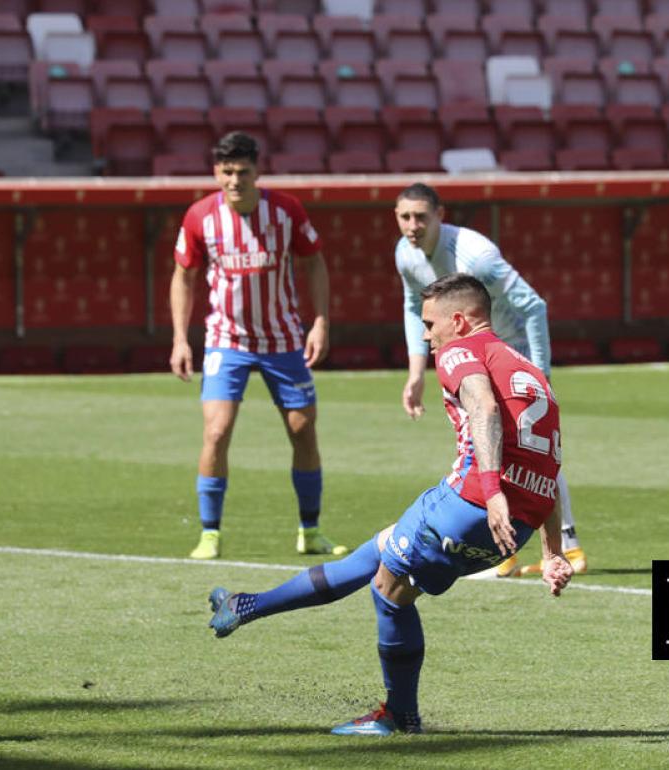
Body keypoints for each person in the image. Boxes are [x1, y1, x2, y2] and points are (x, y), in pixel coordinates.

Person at [206, 274, 574, 735]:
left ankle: (399, 715)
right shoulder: (527, 368)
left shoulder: (461, 351)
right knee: (380, 550)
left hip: (470, 504)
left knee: (390, 591)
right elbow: (547, 466)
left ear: (459, 321)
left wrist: (492, 492)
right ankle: (246, 606)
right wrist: (551, 550)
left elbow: (483, 408)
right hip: (514, 525)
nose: (425, 334)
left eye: (430, 323)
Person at [392, 182, 587, 578]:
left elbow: (534, 306)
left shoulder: (476, 257)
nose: (412, 226)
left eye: (420, 217)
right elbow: (416, 308)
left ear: (440, 216)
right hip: (474, 354)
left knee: (529, 446)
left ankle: (568, 545)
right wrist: (416, 374)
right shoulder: (405, 254)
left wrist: (540, 375)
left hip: (511, 353)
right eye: (404, 217)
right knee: (500, 444)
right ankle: (509, 551)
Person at [170, 132, 345, 560]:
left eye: (243, 172)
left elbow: (314, 262)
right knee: (216, 430)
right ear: (216, 172)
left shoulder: (286, 211)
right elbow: (183, 276)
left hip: (283, 338)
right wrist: (179, 338)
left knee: (303, 430)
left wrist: (320, 321)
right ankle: (210, 533)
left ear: (257, 172)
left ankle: (311, 529)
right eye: (227, 172)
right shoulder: (199, 217)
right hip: (225, 340)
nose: (234, 181)